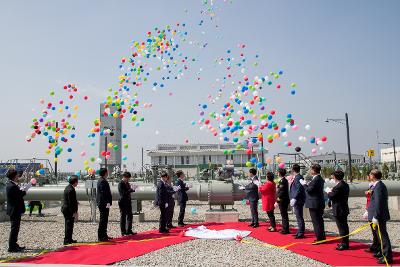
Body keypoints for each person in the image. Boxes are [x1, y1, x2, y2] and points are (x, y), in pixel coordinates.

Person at [366, 170, 393, 265]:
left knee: (383, 237)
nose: (369, 176)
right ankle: (382, 253)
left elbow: (378, 203)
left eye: (370, 174)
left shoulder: (379, 187)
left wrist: (376, 216)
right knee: (379, 236)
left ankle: (387, 257)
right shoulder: (377, 186)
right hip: (376, 214)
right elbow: (373, 201)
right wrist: (368, 211)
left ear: (373, 176)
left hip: (379, 216)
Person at [6, 169, 30, 252]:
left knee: (16, 228)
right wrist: (25, 190)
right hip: (14, 210)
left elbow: (17, 194)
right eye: (17, 175)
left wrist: (22, 190)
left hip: (15, 210)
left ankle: (14, 245)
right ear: (14, 176)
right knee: (14, 229)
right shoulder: (12, 186)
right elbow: (18, 196)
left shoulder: (12, 184)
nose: (18, 176)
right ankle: (12, 247)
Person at [301, 164, 326, 242]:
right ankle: (322, 236)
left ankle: (319, 238)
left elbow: (309, 190)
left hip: (314, 203)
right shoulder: (318, 178)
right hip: (318, 202)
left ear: (314, 170)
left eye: (311, 169)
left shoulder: (316, 179)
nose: (310, 171)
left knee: (316, 221)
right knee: (319, 221)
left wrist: (304, 184)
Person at [326, 170, 350, 250]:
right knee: (344, 226)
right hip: (343, 207)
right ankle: (345, 242)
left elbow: (332, 196)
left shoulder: (339, 186)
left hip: (339, 209)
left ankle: (344, 244)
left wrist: (328, 191)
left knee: (342, 227)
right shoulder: (345, 184)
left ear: (335, 177)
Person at [289, 164, 306, 239]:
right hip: (297, 199)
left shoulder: (298, 177)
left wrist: (295, 198)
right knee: (298, 216)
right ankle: (299, 231)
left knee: (299, 216)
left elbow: (299, 188)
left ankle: (301, 232)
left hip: (298, 200)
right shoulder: (296, 177)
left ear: (293, 170)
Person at [62, 175, 79, 245]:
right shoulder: (71, 189)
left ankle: (69, 238)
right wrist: (74, 212)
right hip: (68, 210)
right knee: (69, 225)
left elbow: (71, 200)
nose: (77, 183)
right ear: (74, 182)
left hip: (66, 209)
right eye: (77, 181)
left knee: (70, 225)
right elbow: (71, 203)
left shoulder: (68, 187)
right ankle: (67, 240)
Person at [118, 172, 137, 236]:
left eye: (128, 178)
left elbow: (129, 191)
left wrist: (133, 189)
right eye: (127, 178)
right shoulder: (121, 184)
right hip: (123, 201)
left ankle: (129, 230)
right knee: (123, 216)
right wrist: (131, 190)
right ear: (124, 177)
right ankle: (123, 231)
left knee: (130, 216)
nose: (128, 179)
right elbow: (123, 193)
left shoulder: (127, 183)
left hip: (128, 201)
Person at [96, 168, 112, 241]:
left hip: (105, 203)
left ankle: (104, 235)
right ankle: (101, 236)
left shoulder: (102, 180)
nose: (108, 173)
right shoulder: (102, 181)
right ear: (105, 173)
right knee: (103, 220)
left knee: (105, 219)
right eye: (107, 172)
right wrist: (107, 203)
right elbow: (103, 193)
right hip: (103, 203)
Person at [276, 168, 290, 234]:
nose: (277, 173)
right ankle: (284, 228)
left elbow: (282, 191)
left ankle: (285, 229)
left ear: (280, 173)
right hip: (283, 199)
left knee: (284, 215)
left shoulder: (283, 181)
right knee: (283, 214)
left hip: (283, 200)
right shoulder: (282, 180)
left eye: (278, 172)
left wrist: (278, 198)